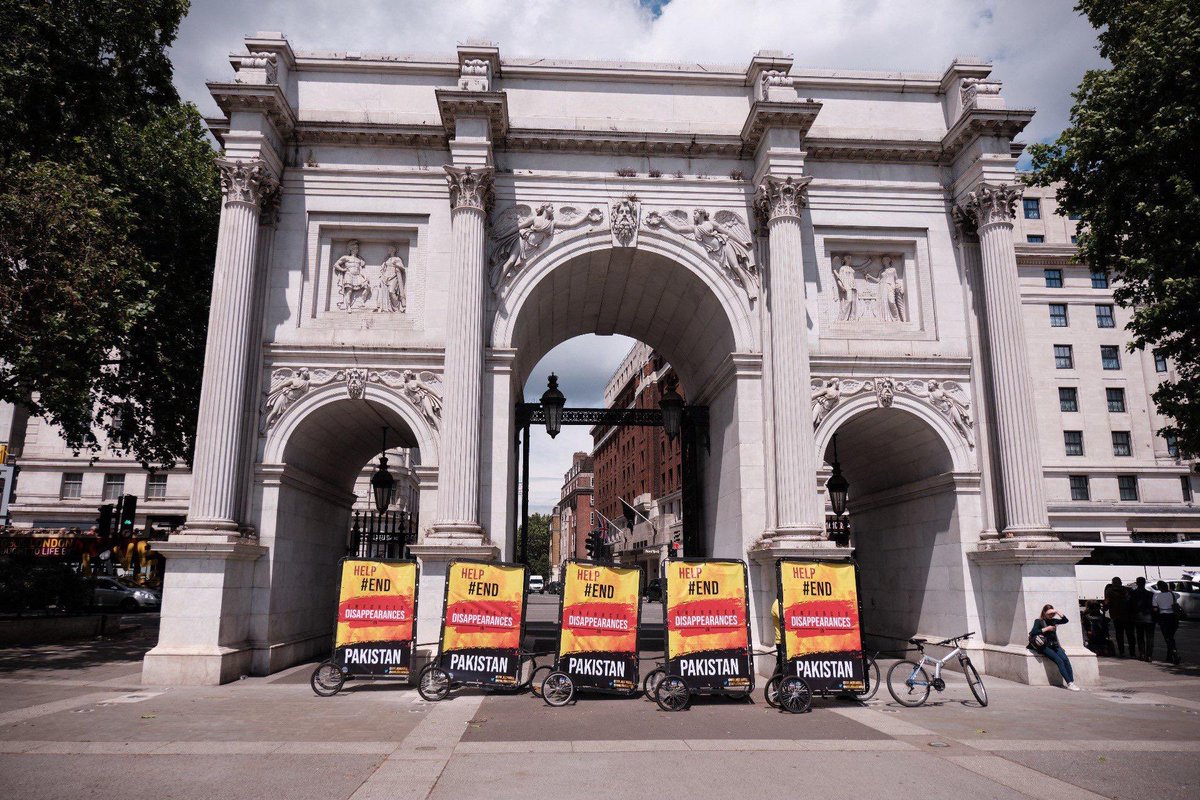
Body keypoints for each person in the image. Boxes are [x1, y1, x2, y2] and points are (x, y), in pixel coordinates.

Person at [1030, 604, 1080, 690]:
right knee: (1059, 661)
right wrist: (1046, 629)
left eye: (1052, 614)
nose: (1051, 615)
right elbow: (1033, 632)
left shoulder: (1054, 621)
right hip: (1045, 646)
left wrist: (1056, 611)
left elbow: (1065, 620)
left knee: (1066, 660)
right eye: (1049, 614)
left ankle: (1071, 682)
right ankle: (1069, 683)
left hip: (1055, 645)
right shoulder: (1038, 621)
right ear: (1044, 613)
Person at [1152, 580, 1182, 664]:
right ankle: (1170, 655)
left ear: (1158, 587)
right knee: (1171, 636)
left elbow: (1155, 608)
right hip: (1173, 617)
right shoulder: (1173, 594)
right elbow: (1178, 595)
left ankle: (1174, 653)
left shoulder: (1156, 596)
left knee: (1167, 637)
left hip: (1163, 617)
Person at [1103, 577, 1134, 658]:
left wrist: (1105, 609)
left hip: (1116, 615)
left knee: (1119, 635)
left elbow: (1106, 603)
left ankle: (1122, 652)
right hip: (1128, 615)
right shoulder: (1127, 590)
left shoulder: (1109, 591)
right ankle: (1132, 653)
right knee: (1130, 635)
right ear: (1120, 582)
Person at [1130, 577, 1155, 661]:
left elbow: (1130, 606)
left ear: (1137, 583)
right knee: (1150, 638)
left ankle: (1142, 654)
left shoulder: (1132, 593)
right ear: (1144, 583)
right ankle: (1149, 656)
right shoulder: (1150, 594)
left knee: (1140, 637)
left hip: (1138, 618)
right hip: (1149, 618)